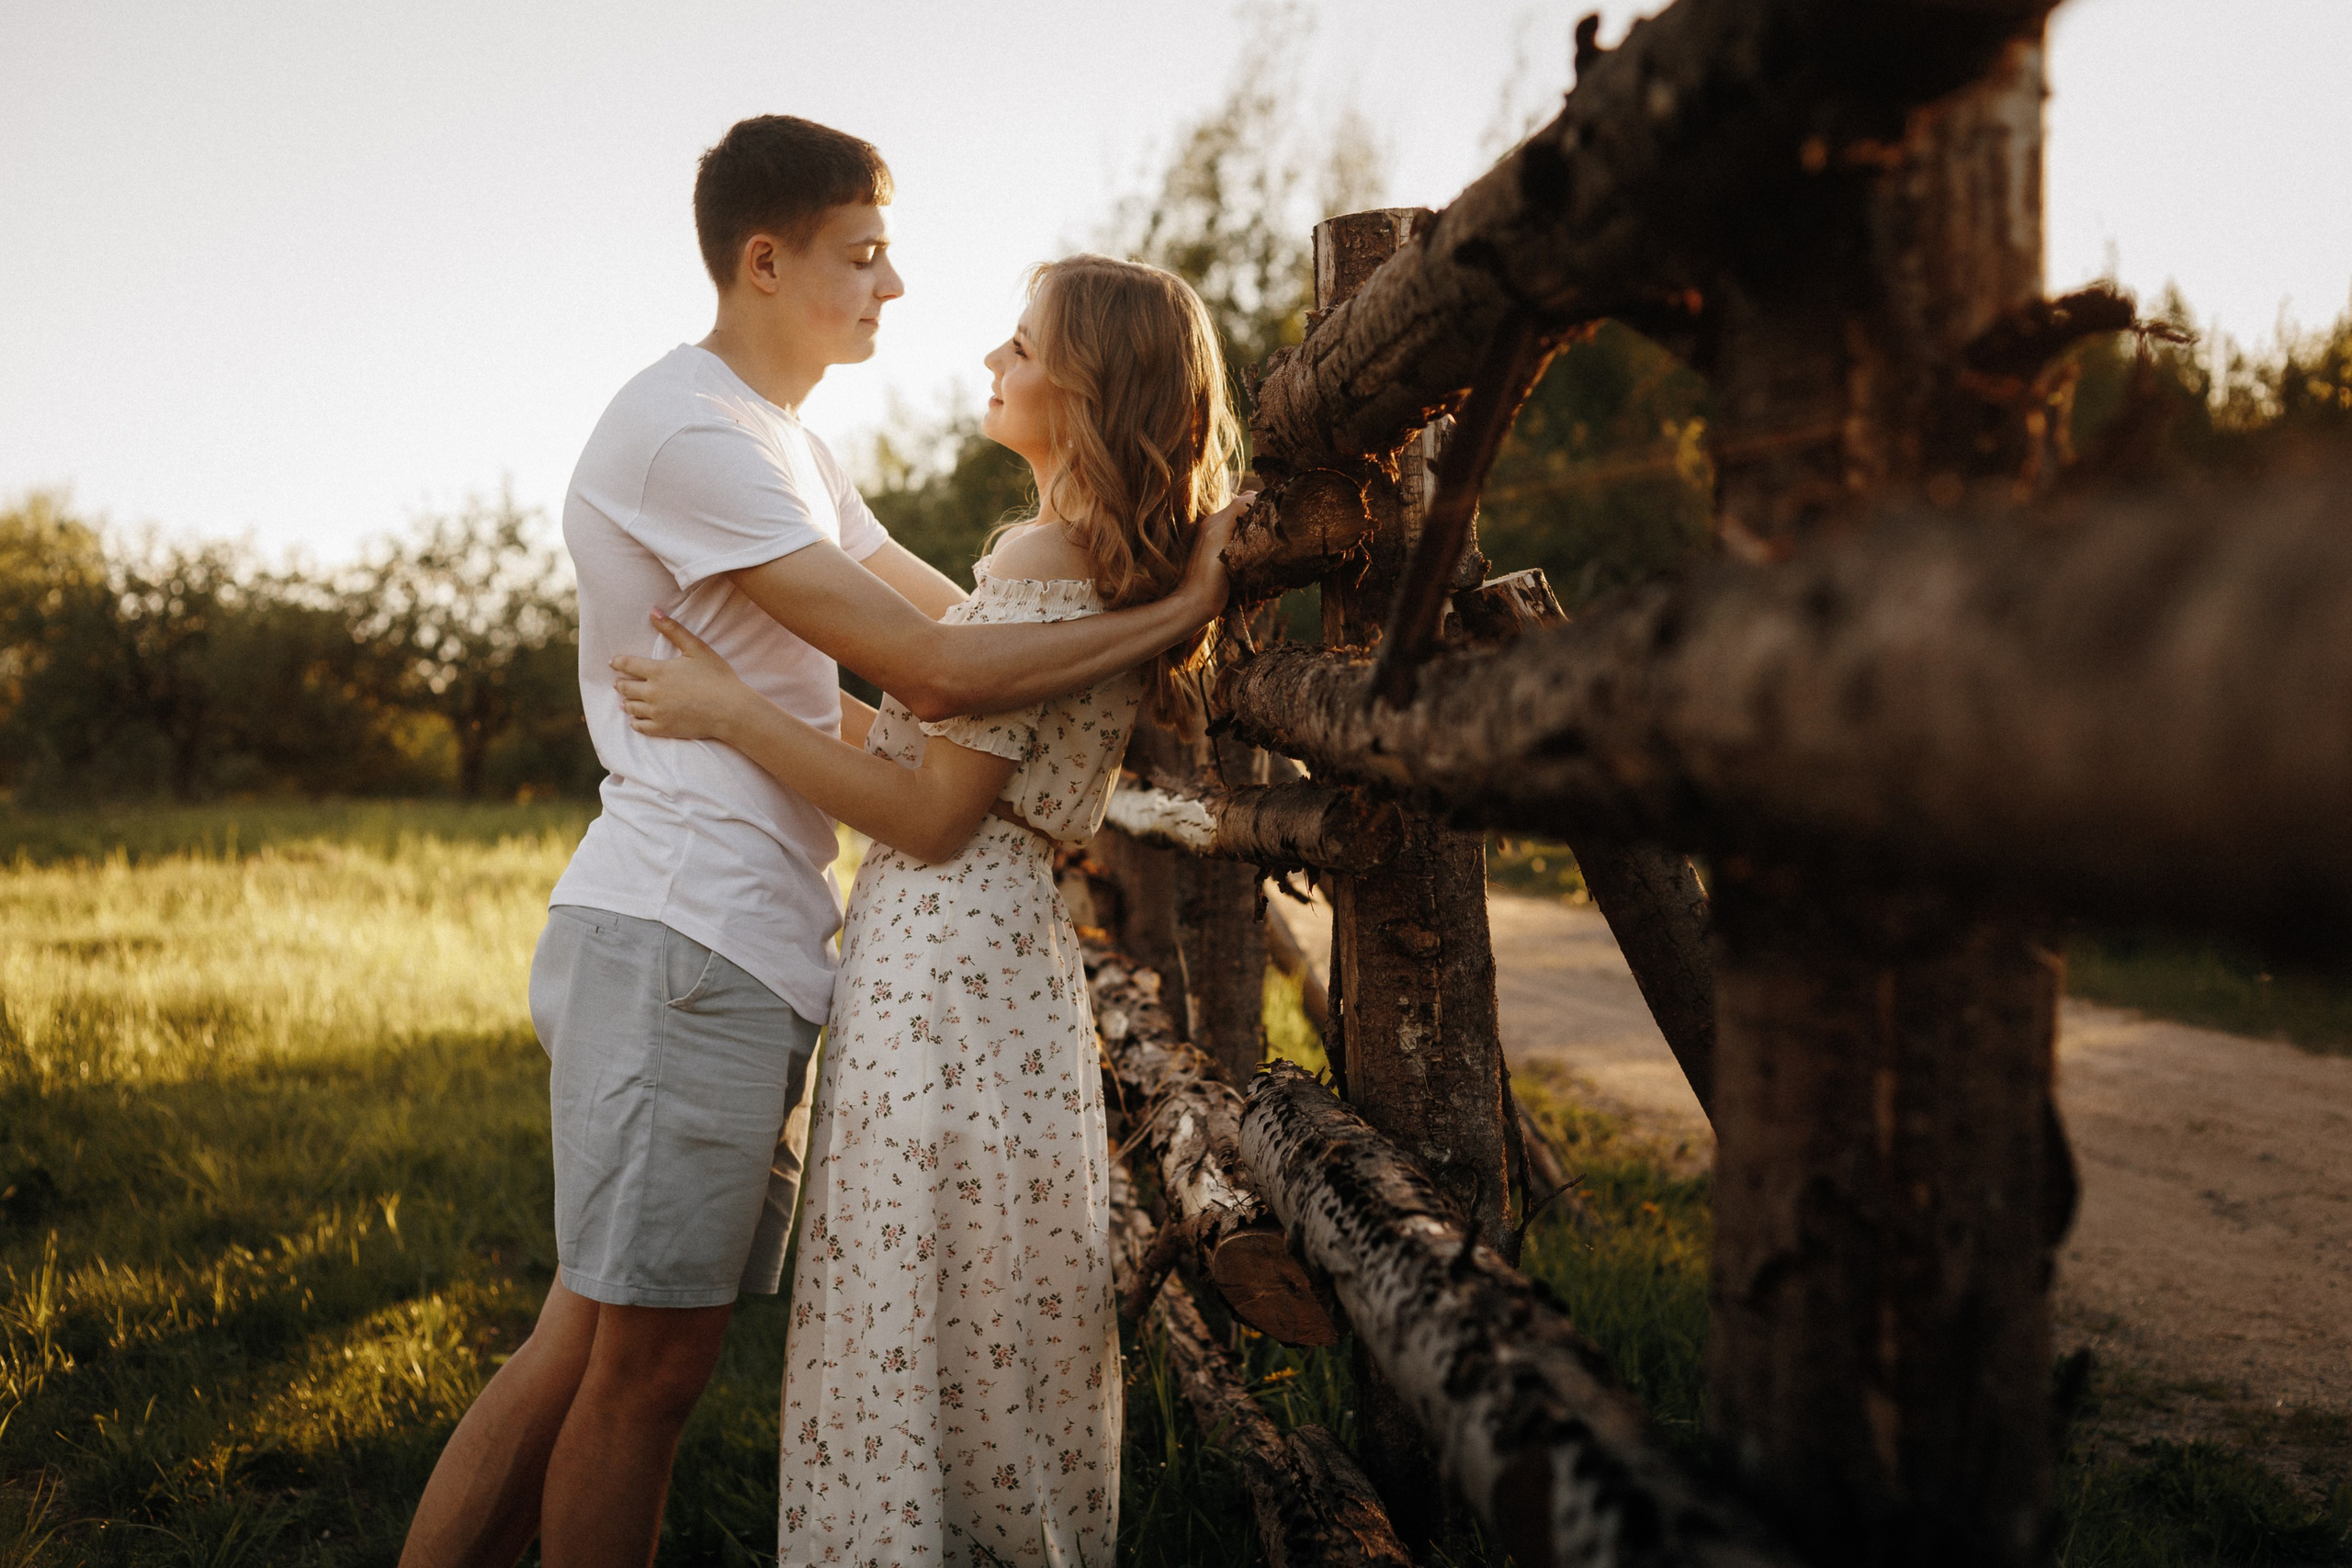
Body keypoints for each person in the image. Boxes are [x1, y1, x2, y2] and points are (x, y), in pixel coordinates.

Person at [398, 118, 1239, 1568]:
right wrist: (1177, 612)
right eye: (864, 254)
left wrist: (1130, 598)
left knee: (604, 1346)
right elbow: (932, 676)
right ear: (765, 260)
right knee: (629, 1368)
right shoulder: (693, 437)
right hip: (684, 934)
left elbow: (969, 634)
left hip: (749, 941)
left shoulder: (788, 448)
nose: (896, 288)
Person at [611, 254, 1242, 1566]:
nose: (991, 364)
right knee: (978, 1300)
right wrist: (762, 690)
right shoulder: (1078, 561)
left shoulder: (1041, 550)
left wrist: (734, 710)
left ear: (1085, 388)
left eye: (1020, 348)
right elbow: (933, 745)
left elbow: (928, 813)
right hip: (990, 957)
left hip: (946, 960)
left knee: (907, 1302)